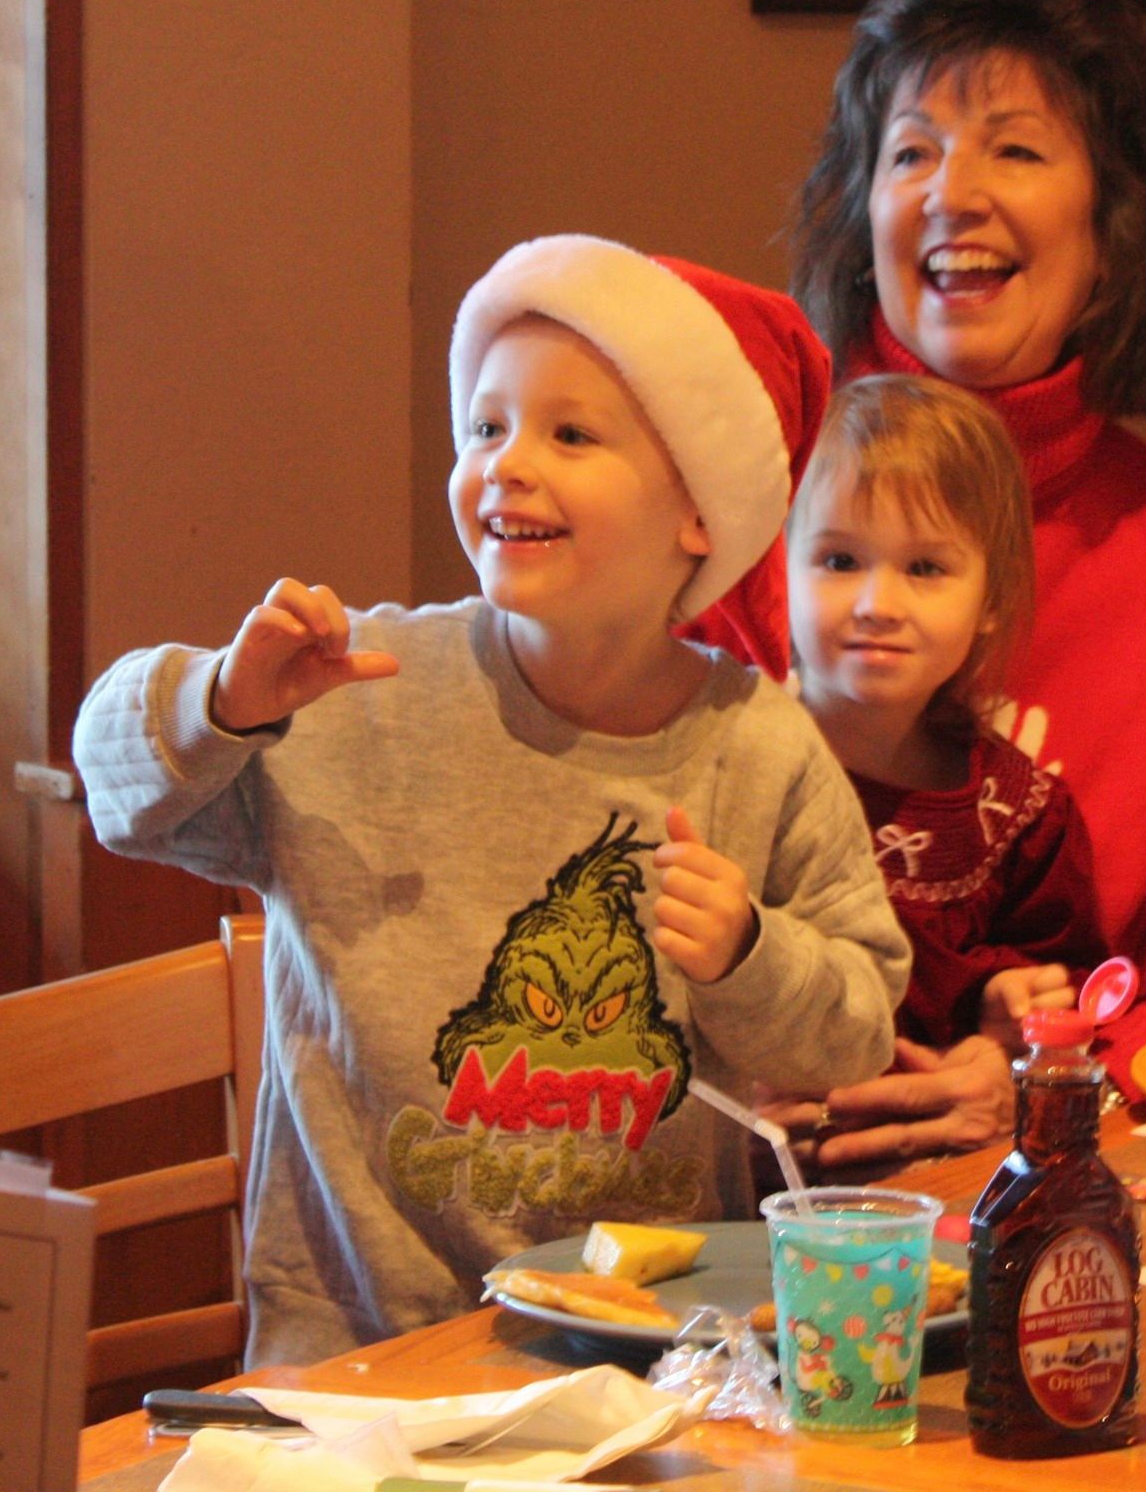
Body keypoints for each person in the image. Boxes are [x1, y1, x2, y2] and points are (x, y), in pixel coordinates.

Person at [73, 234, 910, 1364]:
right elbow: (121, 794)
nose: (507, 462)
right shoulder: (350, 688)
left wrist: (746, 954)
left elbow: (857, 1027)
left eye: (569, 433)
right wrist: (217, 700)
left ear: (698, 513)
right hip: (355, 1358)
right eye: (485, 426)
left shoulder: (754, 744)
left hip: (653, 1359)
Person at [787, 0, 1146, 1157]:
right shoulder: (746, 502)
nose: (948, 194)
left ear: (1111, 233)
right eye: (909, 152)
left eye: (1013, 150)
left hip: (1063, 1177)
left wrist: (1045, 1079)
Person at [784, 373, 1101, 1078]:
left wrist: (1011, 1010)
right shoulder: (731, 771)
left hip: (954, 1157)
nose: (877, 603)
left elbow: (1064, 990)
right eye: (839, 561)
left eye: (925, 567)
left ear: (990, 597)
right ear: (779, 573)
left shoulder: (1020, 816)